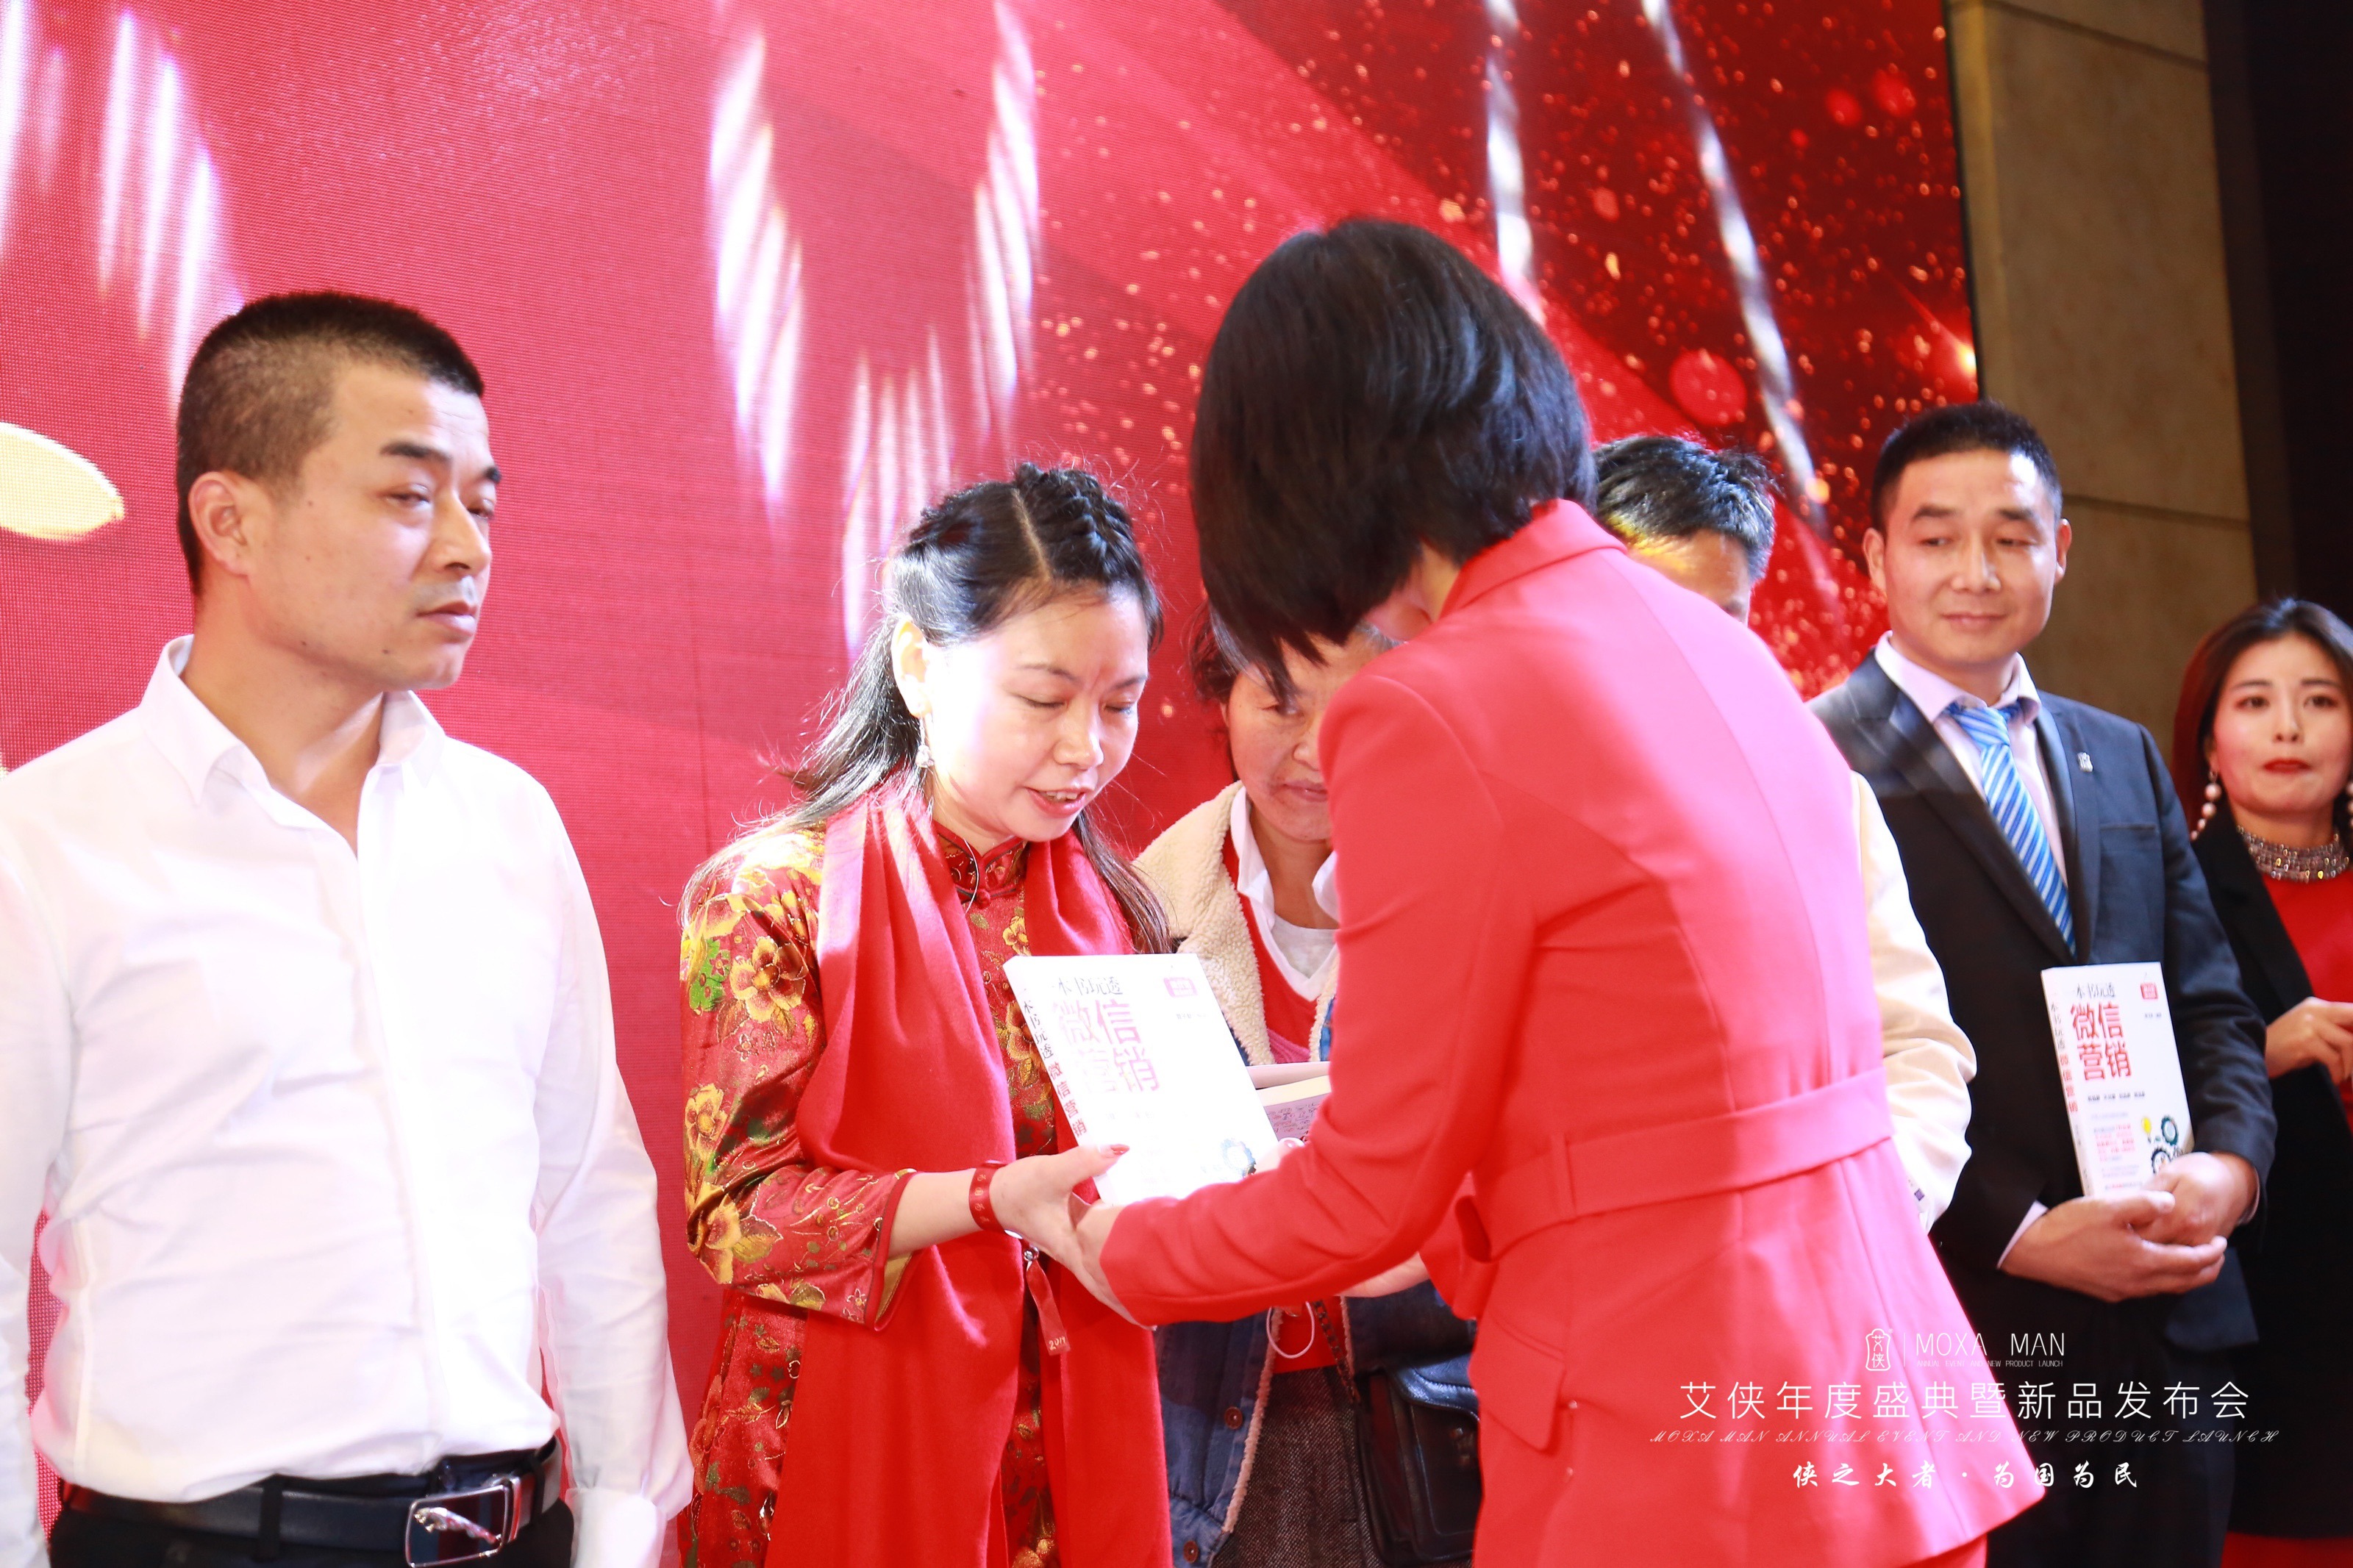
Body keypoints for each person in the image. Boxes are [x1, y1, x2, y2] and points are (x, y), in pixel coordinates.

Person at [1052, 219, 2037, 1564]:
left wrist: (1117, 1248)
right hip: (1884, 1413)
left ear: (1300, 478)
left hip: (1659, 1443)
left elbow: (1368, 1190)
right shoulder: (1717, 642)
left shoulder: (1428, 706)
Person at [0, 293, 687, 1568]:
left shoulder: (506, 822)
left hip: (519, 1532)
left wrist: (623, 1521)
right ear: (232, 520)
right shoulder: (43, 842)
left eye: (483, 503)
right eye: (409, 497)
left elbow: (589, 1190)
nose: (467, 548)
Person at [674, 465, 1171, 1568]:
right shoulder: (777, 898)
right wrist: (986, 1199)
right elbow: (739, 1219)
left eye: (1120, 703)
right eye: (1043, 700)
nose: (1087, 748)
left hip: (1062, 1458)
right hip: (837, 1449)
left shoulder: (1113, 907)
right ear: (917, 666)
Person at [1810, 402, 2275, 1568]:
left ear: (2060, 549)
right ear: (1875, 556)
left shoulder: (2118, 751)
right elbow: (1829, 1059)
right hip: (1965, 1324)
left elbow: (2211, 1003)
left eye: (2013, 538)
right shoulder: (1810, 756)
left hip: (2171, 1320)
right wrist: (2017, 1232)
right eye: (1937, 538)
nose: (1977, 572)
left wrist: (2229, 1170)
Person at [1140, 617, 1472, 1568]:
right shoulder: (1140, 903)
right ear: (1223, 697)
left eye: (1358, 708)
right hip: (1219, 1428)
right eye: (1280, 702)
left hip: (1441, 1402)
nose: (1316, 749)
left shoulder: (1471, 888)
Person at [1594, 434, 1977, 1224]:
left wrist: (1878, 1206)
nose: (1687, 650)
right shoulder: (1511, 797)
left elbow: (1915, 1046)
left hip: (1822, 1247)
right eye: (1651, 612)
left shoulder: (1825, 795)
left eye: (1720, 620)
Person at [2168, 601, 2353, 1567]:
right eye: (2254, 702)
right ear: (2208, 739)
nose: (2288, 727)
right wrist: (2258, 1055)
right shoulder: (2163, 892)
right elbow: (2110, 1106)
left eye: (2319, 700)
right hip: (2272, 1328)